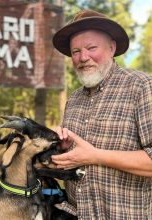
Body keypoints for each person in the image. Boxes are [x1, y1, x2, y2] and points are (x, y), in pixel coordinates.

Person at [51, 9, 152, 219]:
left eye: (91, 48)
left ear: (112, 48)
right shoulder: (74, 98)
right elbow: (74, 159)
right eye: (76, 51)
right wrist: (63, 147)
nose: (83, 57)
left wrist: (96, 156)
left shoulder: (142, 87)